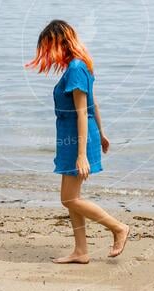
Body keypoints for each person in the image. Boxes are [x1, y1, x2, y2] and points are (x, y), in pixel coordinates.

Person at [26, 19, 130, 264]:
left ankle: (118, 228)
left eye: (48, 48)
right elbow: (94, 104)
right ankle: (81, 251)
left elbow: (83, 112)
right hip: (73, 138)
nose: (48, 57)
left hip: (77, 140)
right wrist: (102, 133)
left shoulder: (75, 68)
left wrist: (82, 153)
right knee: (72, 198)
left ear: (59, 42)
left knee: (69, 199)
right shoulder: (81, 66)